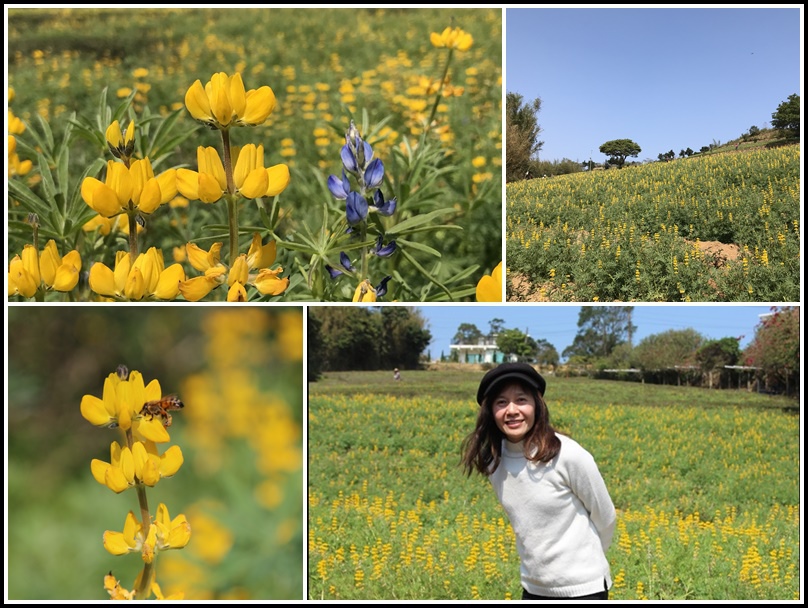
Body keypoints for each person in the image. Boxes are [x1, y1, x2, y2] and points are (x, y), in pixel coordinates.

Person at [461, 362, 616, 600]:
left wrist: (584, 565)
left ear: (537, 405)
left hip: (584, 590)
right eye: (501, 402)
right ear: (491, 411)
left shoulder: (568, 455)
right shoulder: (495, 462)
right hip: (533, 589)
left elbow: (605, 517)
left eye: (521, 400)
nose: (511, 410)